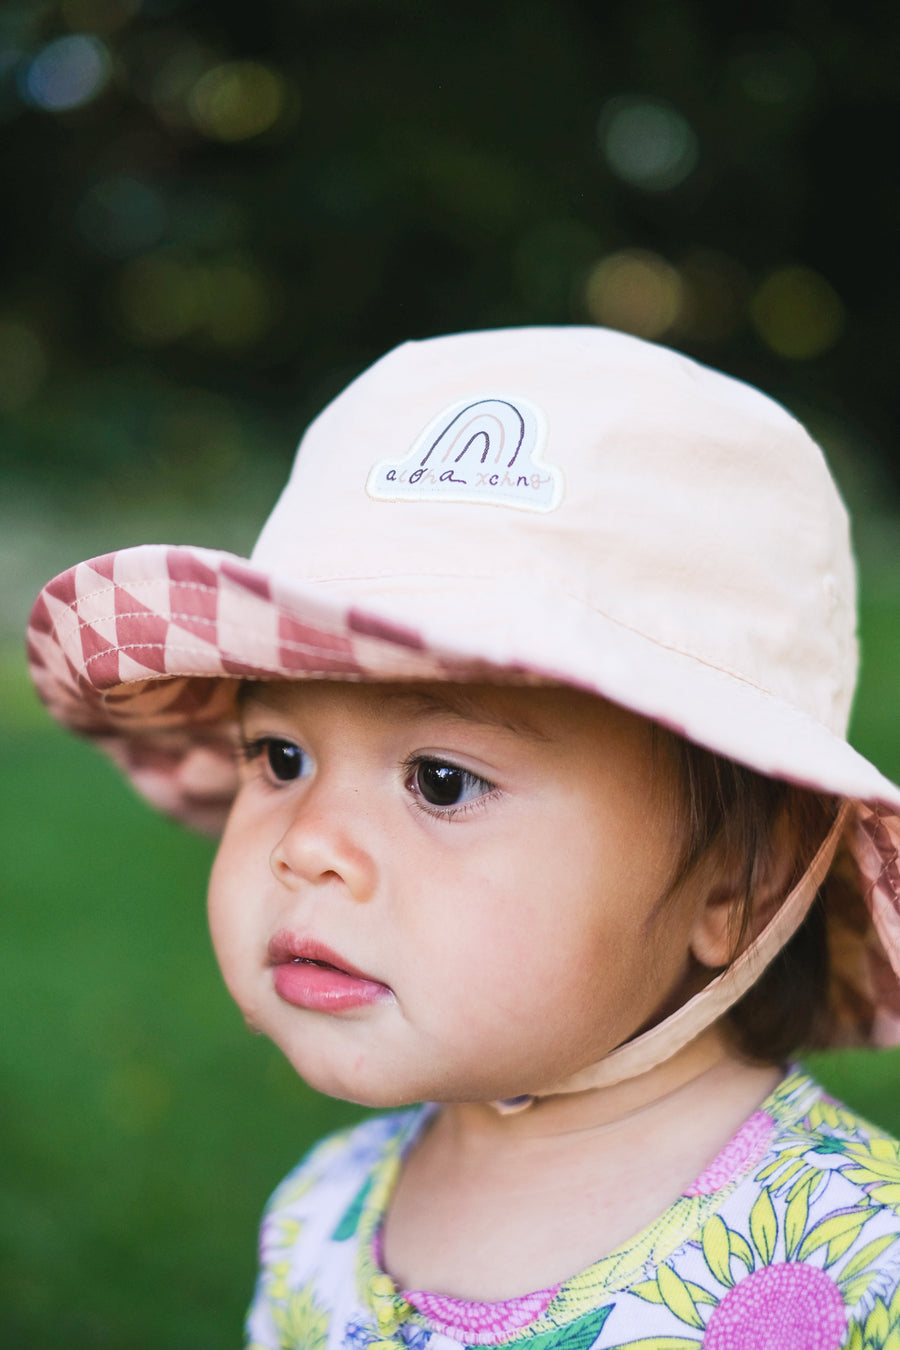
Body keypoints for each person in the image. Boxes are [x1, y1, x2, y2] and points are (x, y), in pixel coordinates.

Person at [26, 326, 900, 1349]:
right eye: (279, 758)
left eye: (440, 782)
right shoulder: (325, 1212)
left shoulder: (853, 1255)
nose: (306, 847)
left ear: (738, 885)